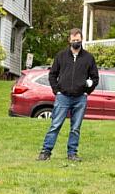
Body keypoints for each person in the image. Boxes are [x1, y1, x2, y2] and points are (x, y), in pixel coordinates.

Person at [37, 29, 99, 162]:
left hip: (80, 98)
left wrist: (87, 90)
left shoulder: (89, 58)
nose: (76, 42)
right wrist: (56, 90)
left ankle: (72, 153)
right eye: (73, 40)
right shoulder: (61, 56)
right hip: (63, 97)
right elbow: (52, 74)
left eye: (78, 40)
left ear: (82, 40)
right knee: (55, 125)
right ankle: (45, 152)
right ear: (69, 40)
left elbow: (95, 78)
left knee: (75, 128)